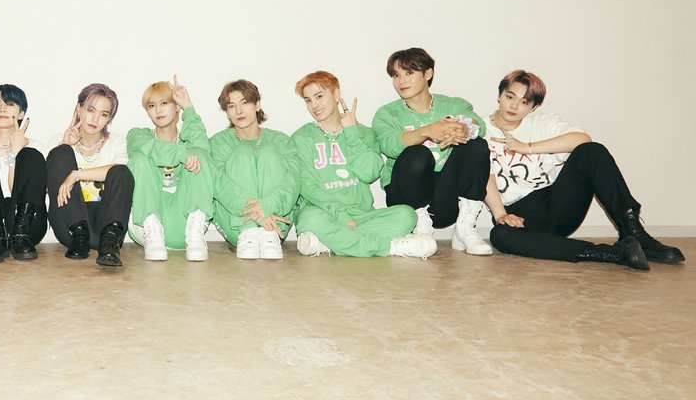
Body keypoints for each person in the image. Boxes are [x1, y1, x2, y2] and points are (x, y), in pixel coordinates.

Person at [483, 69, 682, 270]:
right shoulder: (481, 129)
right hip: (519, 216)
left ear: (533, 107)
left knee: (591, 151)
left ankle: (634, 232)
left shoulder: (541, 122)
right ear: (499, 95)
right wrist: (501, 215)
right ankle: (614, 253)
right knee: (500, 236)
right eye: (510, 97)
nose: (514, 106)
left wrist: (527, 147)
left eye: (524, 102)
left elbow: (582, 139)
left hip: (557, 203)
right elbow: (484, 174)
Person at [290, 72, 436, 259]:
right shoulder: (301, 138)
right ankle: (388, 247)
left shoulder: (364, 133)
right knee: (308, 218)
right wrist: (341, 216)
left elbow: (369, 173)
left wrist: (352, 132)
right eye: (308, 100)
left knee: (407, 215)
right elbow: (307, 186)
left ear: (336, 94)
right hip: (324, 212)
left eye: (319, 96)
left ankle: (329, 242)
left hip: (362, 215)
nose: (314, 105)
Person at [372, 47, 492, 255]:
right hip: (405, 198)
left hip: (443, 197)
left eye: (409, 73)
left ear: (428, 73)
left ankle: (465, 228)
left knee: (476, 144)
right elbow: (389, 146)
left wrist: (464, 128)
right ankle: (421, 229)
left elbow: (478, 124)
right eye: (396, 75)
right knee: (417, 153)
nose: (401, 81)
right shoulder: (387, 113)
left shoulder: (452, 105)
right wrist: (427, 131)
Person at [208, 79, 300, 260]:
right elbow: (218, 183)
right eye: (231, 106)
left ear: (257, 105)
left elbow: (294, 180)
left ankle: (269, 234)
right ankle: (248, 231)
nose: (239, 111)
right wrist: (257, 215)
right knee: (242, 152)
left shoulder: (281, 140)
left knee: (269, 151)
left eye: (244, 103)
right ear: (227, 112)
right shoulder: (218, 143)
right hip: (236, 224)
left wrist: (267, 207)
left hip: (276, 223)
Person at [45, 83, 135, 268]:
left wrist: (76, 175)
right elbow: (48, 187)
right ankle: (80, 233)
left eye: (104, 114)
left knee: (122, 172)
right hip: (71, 230)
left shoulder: (117, 142)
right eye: (90, 110)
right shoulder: (58, 140)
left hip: (104, 227)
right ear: (79, 109)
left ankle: (110, 243)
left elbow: (119, 175)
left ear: (109, 119)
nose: (95, 119)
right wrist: (65, 144)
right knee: (60, 153)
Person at [126, 76, 213, 261]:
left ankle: (195, 234)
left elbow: (203, 149)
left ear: (177, 106)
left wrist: (188, 107)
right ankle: (153, 232)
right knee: (140, 157)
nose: (158, 110)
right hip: (146, 227)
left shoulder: (188, 144)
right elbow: (146, 147)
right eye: (152, 105)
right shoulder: (138, 135)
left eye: (164, 103)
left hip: (184, 223)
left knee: (200, 154)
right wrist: (180, 154)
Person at [0, 84, 47, 263]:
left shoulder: (37, 147)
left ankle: (20, 235)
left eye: (10, 104)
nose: (2, 109)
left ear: (21, 114)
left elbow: (15, 191)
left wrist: (16, 153)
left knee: (31, 155)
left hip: (28, 228)